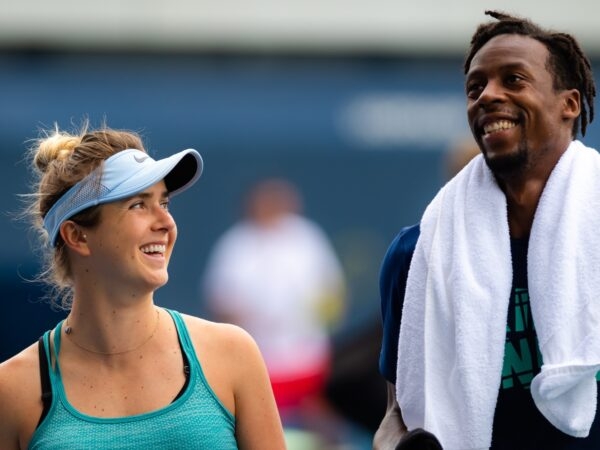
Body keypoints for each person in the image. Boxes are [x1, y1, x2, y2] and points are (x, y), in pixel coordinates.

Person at [374, 10, 600, 450]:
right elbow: (396, 416)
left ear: (569, 105)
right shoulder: (417, 252)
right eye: (475, 88)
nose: (487, 96)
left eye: (514, 80)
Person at [0, 124, 286, 449]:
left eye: (163, 203)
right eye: (138, 204)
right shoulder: (11, 391)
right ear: (77, 236)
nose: (166, 223)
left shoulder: (233, 354)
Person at [202, 178, 347, 436]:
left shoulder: (308, 238)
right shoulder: (235, 245)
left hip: (308, 357)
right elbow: (221, 304)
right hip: (260, 360)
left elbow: (333, 294)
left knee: (326, 427)